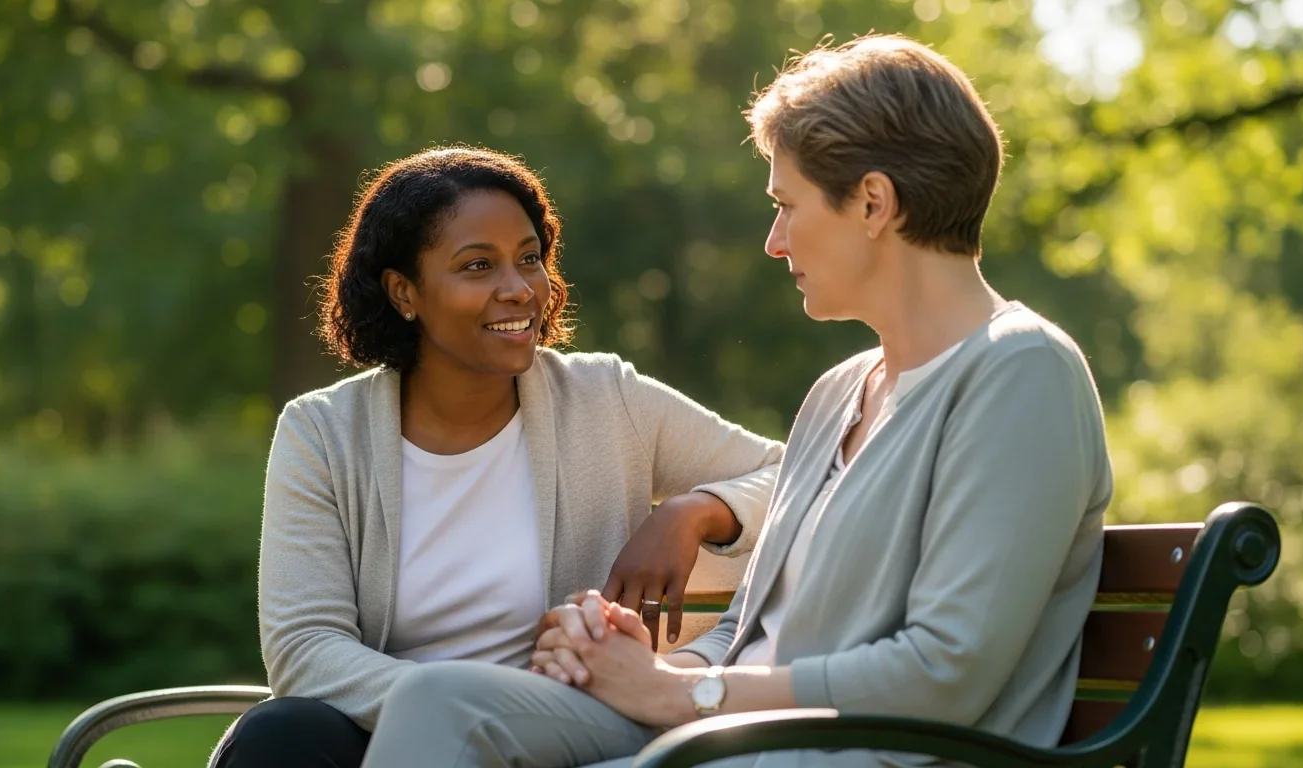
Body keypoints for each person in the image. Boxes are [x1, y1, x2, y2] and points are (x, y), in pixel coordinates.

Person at [360, 33, 1114, 768]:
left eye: (787, 205)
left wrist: (683, 695)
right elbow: (753, 630)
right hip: (743, 739)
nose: (775, 241)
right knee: (438, 701)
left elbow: (944, 673)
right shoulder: (839, 394)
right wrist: (627, 661)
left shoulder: (1019, 373)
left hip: (858, 752)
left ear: (874, 203)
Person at [208, 147, 785, 768]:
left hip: (557, 737)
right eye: (478, 266)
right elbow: (306, 648)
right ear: (405, 293)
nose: (518, 290)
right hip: (386, 731)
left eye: (529, 259)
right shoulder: (322, 433)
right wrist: (462, 708)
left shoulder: (606, 398)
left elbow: (795, 475)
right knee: (282, 735)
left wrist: (697, 510)